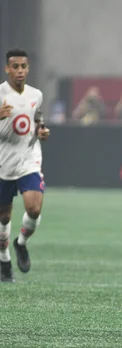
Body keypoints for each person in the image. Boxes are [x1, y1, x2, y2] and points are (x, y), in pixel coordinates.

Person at [0, 49, 50, 282]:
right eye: (15, 67)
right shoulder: (0, 93)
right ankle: (4, 259)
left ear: (28, 69)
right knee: (3, 217)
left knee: (34, 208)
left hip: (29, 157)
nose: (20, 71)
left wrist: (42, 129)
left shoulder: (36, 94)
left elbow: (37, 117)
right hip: (3, 163)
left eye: (23, 67)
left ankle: (21, 243)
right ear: (7, 69)